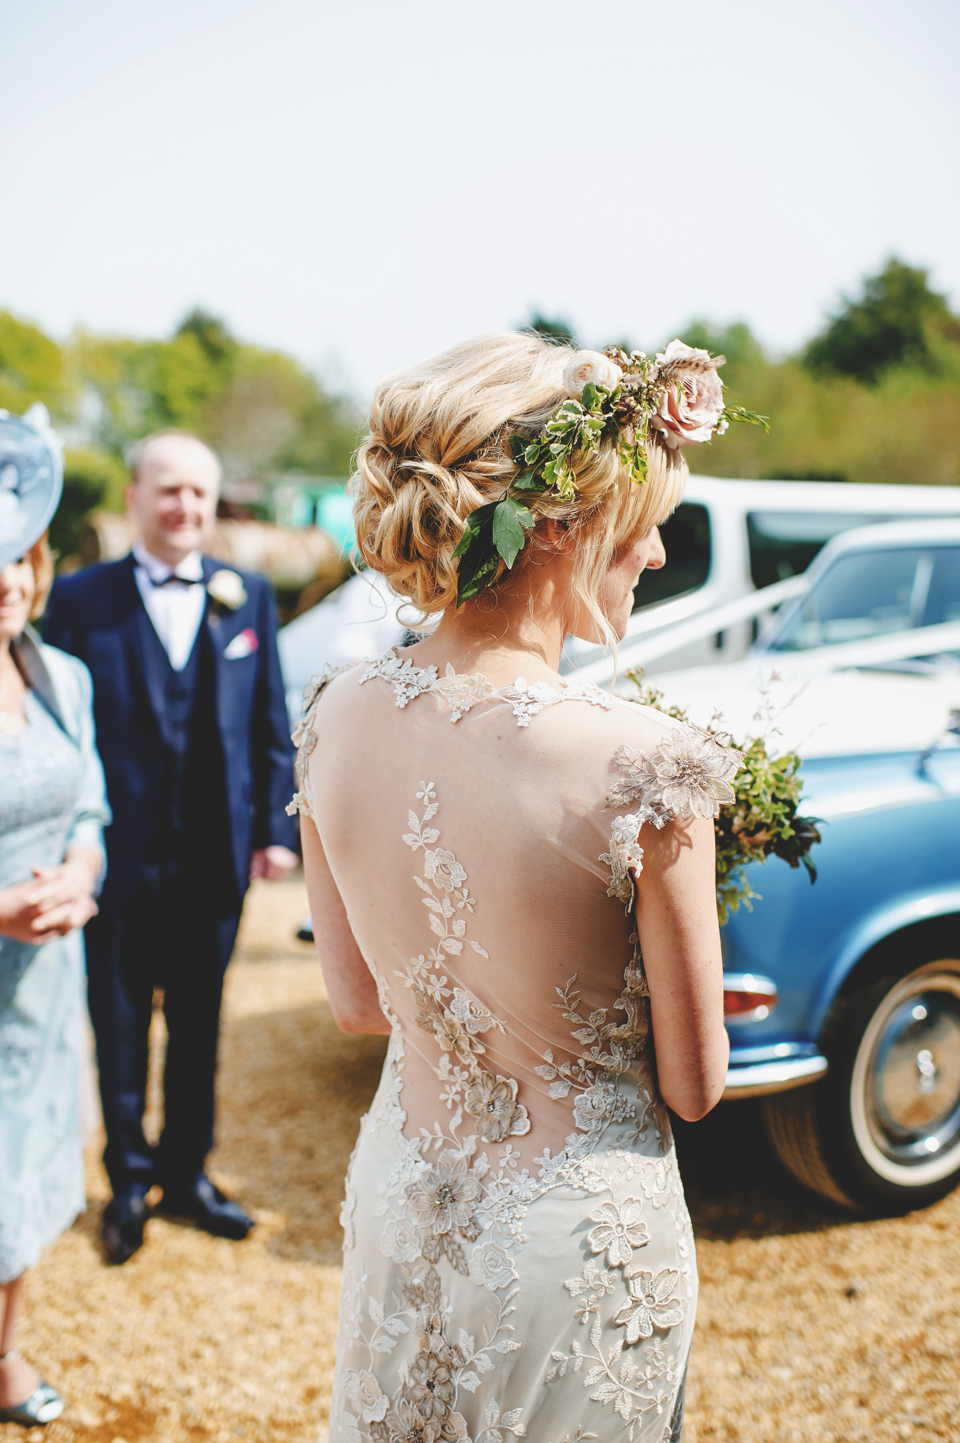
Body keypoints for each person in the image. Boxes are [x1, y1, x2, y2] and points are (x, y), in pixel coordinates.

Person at [292, 333, 741, 1441]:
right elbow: (692, 1083)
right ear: (559, 524)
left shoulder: (333, 712)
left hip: (407, 1196)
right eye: (641, 520)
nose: (656, 552)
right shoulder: (646, 759)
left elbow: (358, 1007)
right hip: (574, 1238)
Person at [44, 429, 298, 1265]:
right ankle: (127, 1182)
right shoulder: (80, 599)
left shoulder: (248, 594)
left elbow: (270, 721)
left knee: (198, 1023)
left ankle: (188, 1173)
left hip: (214, 857)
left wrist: (275, 830)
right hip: (112, 856)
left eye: (198, 492)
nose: (184, 506)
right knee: (116, 1024)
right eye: (168, 490)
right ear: (134, 498)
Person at [0, 406, 110, 1426]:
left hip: (45, 991)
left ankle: (2, 1354)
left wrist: (80, 873)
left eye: (22, 559)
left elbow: (90, 806)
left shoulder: (61, 676)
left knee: (23, 1179)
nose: (8, 582)